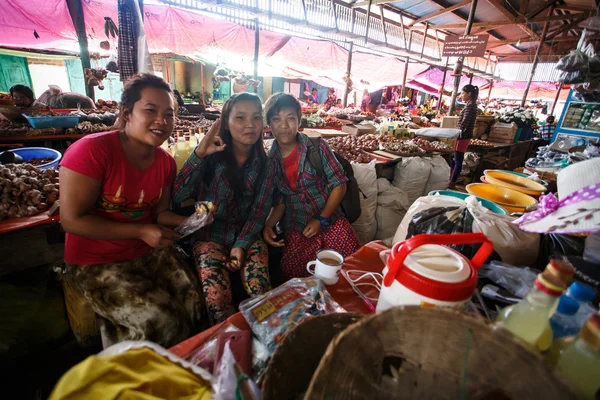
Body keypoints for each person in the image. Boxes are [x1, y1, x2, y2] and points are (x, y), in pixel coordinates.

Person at [59, 74, 203, 349]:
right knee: (162, 319)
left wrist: (193, 221)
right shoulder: (92, 151)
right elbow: (71, 220)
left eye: (169, 114)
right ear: (127, 113)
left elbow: (159, 215)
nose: (162, 121)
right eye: (150, 110)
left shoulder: (165, 162)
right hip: (95, 262)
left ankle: (188, 368)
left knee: (194, 300)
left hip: (146, 251)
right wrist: (140, 230)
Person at [172, 93, 274, 325]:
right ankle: (227, 343)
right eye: (240, 117)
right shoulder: (210, 157)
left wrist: (241, 245)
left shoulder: (266, 164)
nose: (250, 124)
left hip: (248, 236)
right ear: (225, 122)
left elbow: (260, 210)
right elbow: (178, 197)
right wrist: (198, 154)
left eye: (256, 117)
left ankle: (267, 342)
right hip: (209, 236)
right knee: (217, 300)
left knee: (261, 293)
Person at [262, 93, 360, 281]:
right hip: (298, 229)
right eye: (276, 119)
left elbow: (339, 184)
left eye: (290, 118)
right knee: (298, 280)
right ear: (269, 124)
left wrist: (321, 220)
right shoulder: (271, 162)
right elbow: (280, 201)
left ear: (299, 120)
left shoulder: (317, 147)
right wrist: (268, 225)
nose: (284, 125)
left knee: (347, 274)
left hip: (331, 223)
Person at [449, 85, 479, 189]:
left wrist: (456, 133)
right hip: (463, 136)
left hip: (463, 136)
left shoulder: (470, 106)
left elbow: (465, 123)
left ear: (469, 93)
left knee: (458, 159)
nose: (461, 95)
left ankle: (452, 182)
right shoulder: (470, 105)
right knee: (455, 158)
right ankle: (451, 179)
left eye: (463, 93)